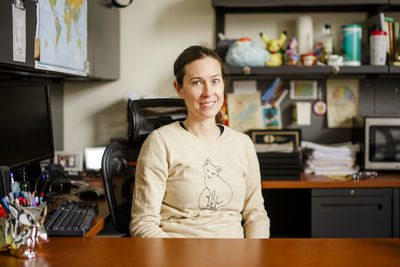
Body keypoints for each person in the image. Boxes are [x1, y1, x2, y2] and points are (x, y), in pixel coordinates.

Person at [130, 45, 270, 238]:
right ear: (179, 88)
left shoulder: (243, 144)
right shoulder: (161, 143)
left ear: (223, 84)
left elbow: (256, 215)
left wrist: (253, 256)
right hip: (178, 256)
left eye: (215, 81)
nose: (208, 92)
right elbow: (143, 224)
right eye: (197, 82)